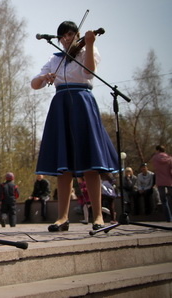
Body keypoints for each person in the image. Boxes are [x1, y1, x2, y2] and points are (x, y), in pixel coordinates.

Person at [31, 21, 119, 232]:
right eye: (63, 36)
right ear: (59, 38)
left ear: (77, 35)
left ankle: (98, 216)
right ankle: (62, 217)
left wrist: (88, 44)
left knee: (90, 164)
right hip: (60, 105)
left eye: (71, 34)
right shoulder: (54, 59)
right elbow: (35, 84)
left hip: (82, 103)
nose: (67, 38)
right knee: (64, 167)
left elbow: (89, 73)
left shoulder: (86, 52)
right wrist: (45, 77)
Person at [150, 145, 172, 222]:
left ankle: (169, 218)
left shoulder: (155, 158)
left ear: (158, 150)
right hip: (169, 181)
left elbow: (155, 168)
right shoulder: (169, 158)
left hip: (160, 181)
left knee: (164, 200)